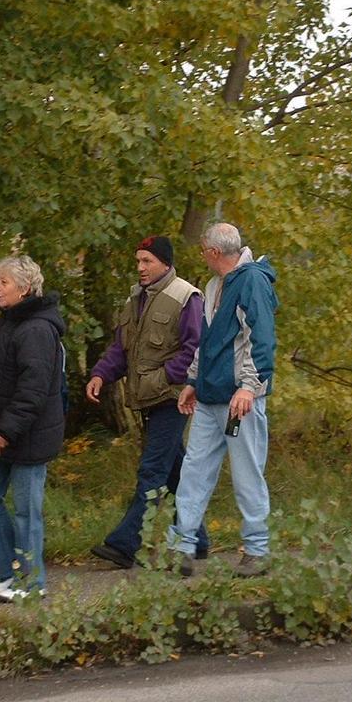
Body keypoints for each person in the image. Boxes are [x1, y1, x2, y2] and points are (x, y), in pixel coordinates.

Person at [87, 235, 209, 568]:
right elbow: (121, 348)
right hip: (146, 399)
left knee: (152, 469)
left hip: (172, 398)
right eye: (138, 261)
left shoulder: (186, 297)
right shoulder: (136, 300)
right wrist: (101, 374)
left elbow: (194, 349)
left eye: (147, 261)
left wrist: (162, 378)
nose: (140, 267)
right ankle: (197, 537)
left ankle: (126, 544)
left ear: (165, 264)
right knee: (173, 471)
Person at [169, 223, 278, 578]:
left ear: (213, 253)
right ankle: (182, 545)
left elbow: (260, 337)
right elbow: (209, 340)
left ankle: (257, 548)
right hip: (211, 395)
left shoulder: (251, 282)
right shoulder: (216, 286)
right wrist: (192, 380)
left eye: (203, 250)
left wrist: (249, 387)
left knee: (246, 474)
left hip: (237, 398)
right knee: (194, 470)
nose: (202, 256)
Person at [0, 256, 65, 602]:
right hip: (3, 430)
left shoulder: (37, 328)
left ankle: (32, 582)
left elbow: (33, 388)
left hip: (27, 434)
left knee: (27, 510)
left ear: (24, 288)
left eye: (3, 282)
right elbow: (14, 371)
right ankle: (10, 570)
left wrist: (6, 429)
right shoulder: (10, 321)